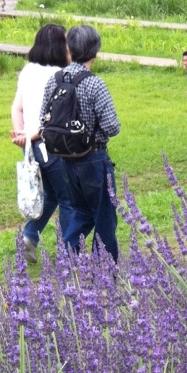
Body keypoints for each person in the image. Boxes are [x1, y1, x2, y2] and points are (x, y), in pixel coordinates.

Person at [40, 25, 120, 261]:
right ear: (95, 51)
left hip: (65, 160)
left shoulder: (53, 81)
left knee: (81, 213)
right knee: (104, 216)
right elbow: (112, 126)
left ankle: (67, 258)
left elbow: (43, 120)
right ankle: (106, 272)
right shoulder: (95, 84)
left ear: (69, 50)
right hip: (94, 159)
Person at [10, 23, 71, 261]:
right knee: (67, 197)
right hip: (50, 143)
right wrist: (32, 135)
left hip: (32, 145)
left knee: (51, 194)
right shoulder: (58, 75)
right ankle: (69, 251)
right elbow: (52, 116)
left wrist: (21, 135)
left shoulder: (27, 71)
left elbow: (16, 107)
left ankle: (30, 237)